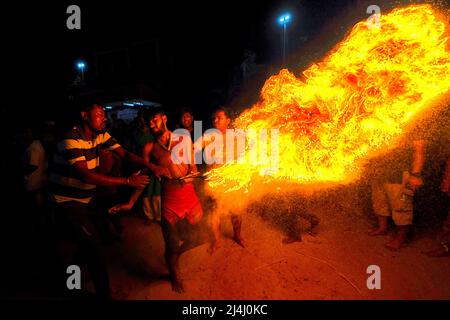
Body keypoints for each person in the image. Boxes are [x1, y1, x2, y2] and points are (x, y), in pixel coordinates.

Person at [49, 100, 168, 299]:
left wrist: (153, 167)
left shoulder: (101, 135)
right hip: (66, 202)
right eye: (99, 115)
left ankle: (70, 279)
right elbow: (85, 175)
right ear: (84, 115)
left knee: (89, 244)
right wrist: (127, 180)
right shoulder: (70, 138)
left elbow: (125, 154)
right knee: (93, 247)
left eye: (104, 114)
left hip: (86, 199)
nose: (104, 118)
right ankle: (103, 295)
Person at [110, 107, 204, 293]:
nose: (151, 124)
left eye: (154, 119)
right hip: (170, 200)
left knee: (202, 235)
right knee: (171, 246)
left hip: (189, 195)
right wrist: (130, 202)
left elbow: (193, 166)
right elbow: (144, 177)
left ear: (164, 118)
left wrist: (192, 175)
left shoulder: (183, 138)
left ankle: (179, 251)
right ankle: (175, 275)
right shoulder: (149, 148)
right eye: (149, 122)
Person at [196, 107, 246, 254]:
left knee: (236, 212)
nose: (215, 120)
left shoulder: (235, 137)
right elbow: (195, 147)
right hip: (214, 182)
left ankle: (237, 236)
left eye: (219, 117)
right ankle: (217, 241)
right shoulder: (209, 136)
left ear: (228, 120)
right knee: (214, 213)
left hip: (231, 181)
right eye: (214, 118)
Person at [369, 125, 427, 250]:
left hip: (399, 175)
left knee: (401, 208)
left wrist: (416, 174)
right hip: (379, 172)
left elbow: (419, 149)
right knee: (380, 202)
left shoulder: (412, 121)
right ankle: (382, 228)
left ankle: (399, 239)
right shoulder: (382, 119)